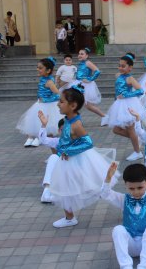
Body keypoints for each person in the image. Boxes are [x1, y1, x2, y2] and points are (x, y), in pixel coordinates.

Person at [47, 84, 118, 228]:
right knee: (66, 187)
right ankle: (69, 217)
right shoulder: (68, 119)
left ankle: (122, 203)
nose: (58, 104)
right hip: (67, 161)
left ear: (72, 105)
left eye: (61, 101)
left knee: (94, 188)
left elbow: (87, 142)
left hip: (76, 159)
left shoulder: (76, 124)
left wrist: (68, 151)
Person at [101, 162, 146, 269]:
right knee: (118, 229)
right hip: (130, 245)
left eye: (140, 187)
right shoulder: (123, 199)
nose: (136, 192)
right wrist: (108, 178)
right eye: (131, 189)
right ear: (126, 186)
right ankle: (126, 266)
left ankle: (143, 266)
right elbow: (105, 194)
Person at [105, 53, 146, 161]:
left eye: (123, 66)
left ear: (130, 68)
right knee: (116, 129)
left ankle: (137, 152)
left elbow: (140, 90)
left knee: (130, 129)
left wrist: (126, 95)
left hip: (129, 105)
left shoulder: (130, 78)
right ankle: (137, 138)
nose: (120, 68)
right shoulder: (119, 76)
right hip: (119, 104)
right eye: (119, 65)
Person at [16, 57, 62, 147]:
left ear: (48, 70)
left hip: (47, 105)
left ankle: (39, 137)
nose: (38, 69)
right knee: (33, 120)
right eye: (38, 67)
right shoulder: (42, 78)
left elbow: (58, 94)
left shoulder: (49, 82)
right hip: (39, 103)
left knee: (42, 121)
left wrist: (47, 99)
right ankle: (30, 137)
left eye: (40, 68)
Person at [72, 48, 108, 125]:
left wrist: (90, 79)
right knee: (77, 102)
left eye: (82, 54)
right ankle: (75, 120)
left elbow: (97, 71)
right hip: (78, 84)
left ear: (87, 56)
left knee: (88, 105)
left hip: (85, 85)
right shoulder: (80, 63)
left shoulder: (88, 63)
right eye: (79, 54)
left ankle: (104, 116)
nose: (79, 55)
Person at [37, 113, 64, 203]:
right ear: (59, 131)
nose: (65, 132)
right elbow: (43, 140)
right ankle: (46, 192)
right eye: (62, 130)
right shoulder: (58, 141)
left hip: (73, 170)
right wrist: (44, 125)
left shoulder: (78, 142)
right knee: (53, 157)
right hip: (61, 169)